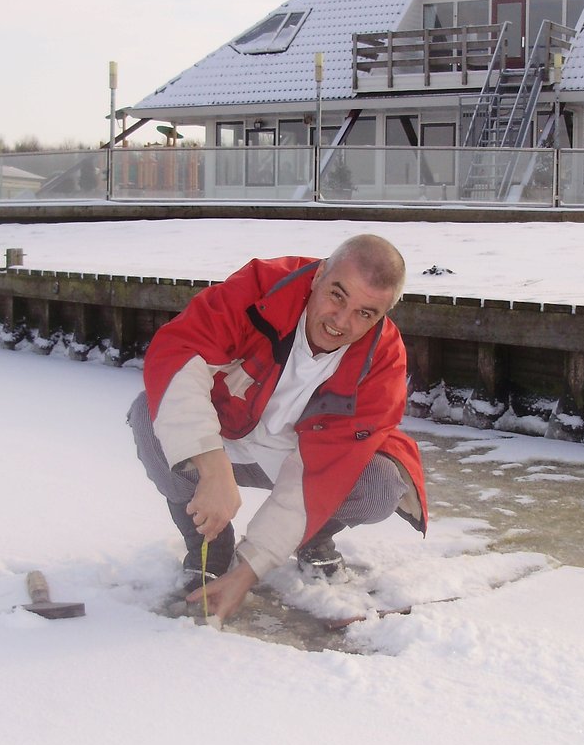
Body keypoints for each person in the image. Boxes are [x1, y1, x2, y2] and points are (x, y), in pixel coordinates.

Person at [128, 234, 428, 621]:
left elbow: (327, 471)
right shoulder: (261, 288)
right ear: (319, 275)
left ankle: (313, 536)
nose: (341, 322)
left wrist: (248, 572)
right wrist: (210, 463)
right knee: (149, 416)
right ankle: (210, 543)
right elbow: (179, 354)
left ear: (383, 314)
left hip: (298, 458)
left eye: (365, 313)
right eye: (337, 295)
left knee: (380, 485)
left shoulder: (382, 364)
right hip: (227, 434)